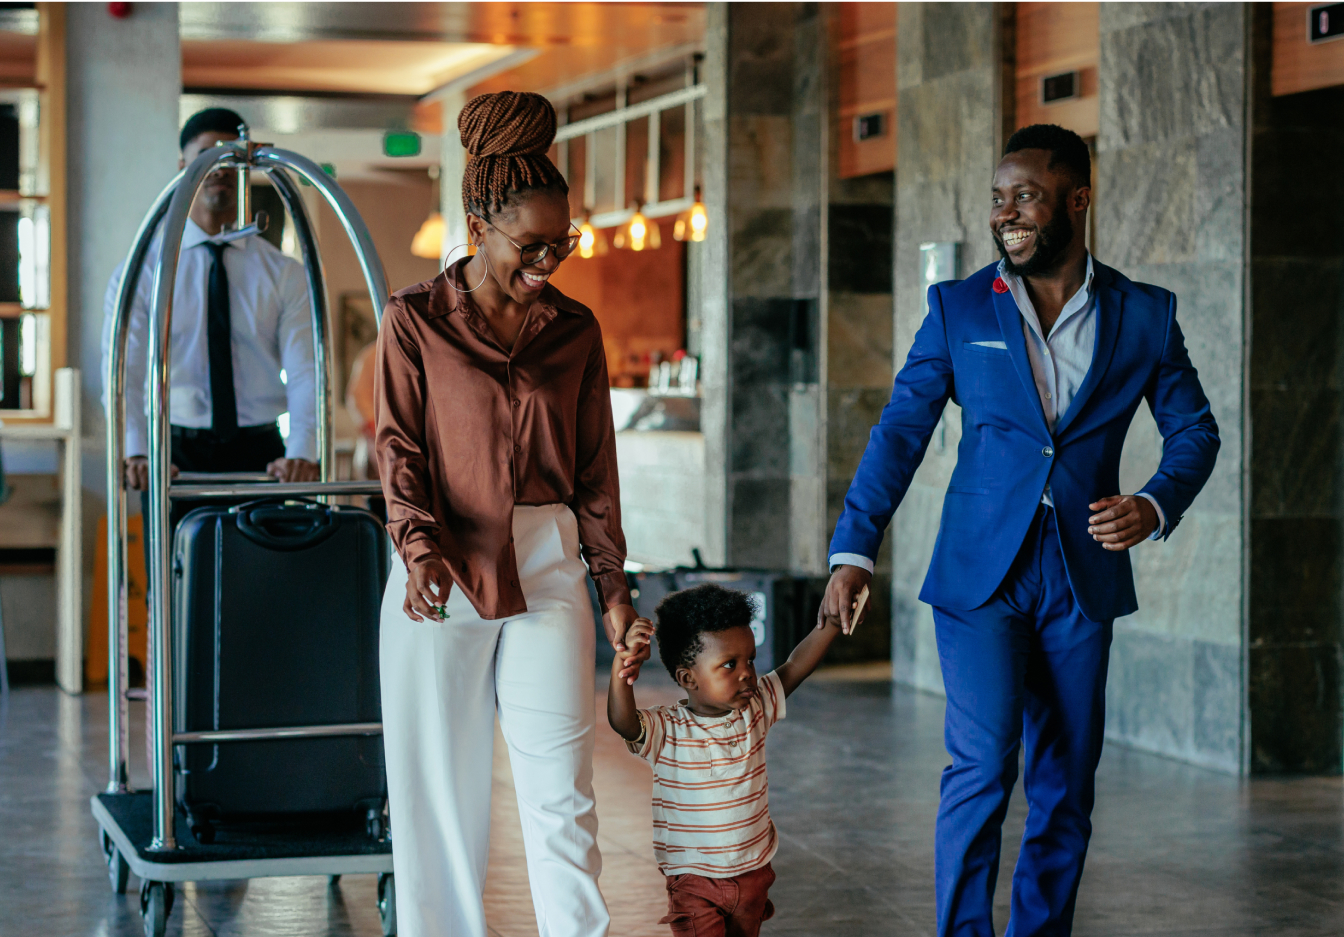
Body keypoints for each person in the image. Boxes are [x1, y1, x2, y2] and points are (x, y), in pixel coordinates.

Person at [820, 124, 1220, 936]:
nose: (1007, 213)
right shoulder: (959, 305)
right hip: (979, 575)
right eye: (998, 198)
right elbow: (901, 429)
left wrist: (1154, 502)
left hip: (1085, 569)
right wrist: (855, 547)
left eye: (1026, 196)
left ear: (1077, 199)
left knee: (1067, 779)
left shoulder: (1145, 313)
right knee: (981, 763)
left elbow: (1197, 430)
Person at [374, 90, 645, 937]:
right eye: (531, 245)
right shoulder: (414, 320)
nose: (549, 262)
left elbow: (596, 469)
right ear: (476, 220)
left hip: (551, 560)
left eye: (561, 243)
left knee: (562, 793)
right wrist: (418, 550)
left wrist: (613, 585)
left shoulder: (575, 329)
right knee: (439, 802)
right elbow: (399, 452)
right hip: (441, 570)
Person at [101, 106, 319, 519]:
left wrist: (302, 451)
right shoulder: (144, 273)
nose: (219, 168)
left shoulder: (283, 274)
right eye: (207, 156)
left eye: (229, 157)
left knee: (268, 580)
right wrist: (136, 449)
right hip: (174, 453)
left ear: (246, 165)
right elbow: (124, 369)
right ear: (184, 166)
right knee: (174, 581)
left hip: (262, 453)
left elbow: (306, 370)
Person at [607, 584, 843, 937]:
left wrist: (833, 621)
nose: (747, 672)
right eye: (729, 665)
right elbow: (622, 722)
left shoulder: (757, 706)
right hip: (694, 881)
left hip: (753, 873)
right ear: (689, 678)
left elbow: (796, 665)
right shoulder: (668, 729)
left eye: (749, 659)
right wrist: (622, 666)